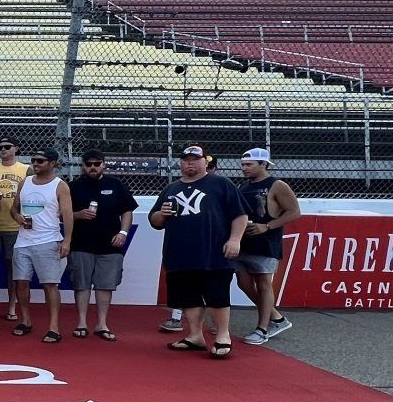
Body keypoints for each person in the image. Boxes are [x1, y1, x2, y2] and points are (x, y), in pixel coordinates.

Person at [151, 144, 248, 359]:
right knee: (188, 296)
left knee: (217, 294)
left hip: (213, 251)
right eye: (186, 159)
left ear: (205, 161)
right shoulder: (171, 188)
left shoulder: (221, 183)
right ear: (180, 163)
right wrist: (162, 213)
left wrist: (235, 239)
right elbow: (155, 221)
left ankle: (223, 335)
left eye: (195, 159)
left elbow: (239, 214)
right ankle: (195, 335)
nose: (190, 163)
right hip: (180, 252)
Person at [67, 150, 136, 340]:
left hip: (110, 245)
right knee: (81, 284)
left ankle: (102, 324)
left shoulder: (115, 184)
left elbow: (127, 210)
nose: (93, 167)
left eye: (97, 164)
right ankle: (81, 323)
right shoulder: (73, 186)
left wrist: (123, 233)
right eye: (88, 164)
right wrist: (78, 215)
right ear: (82, 166)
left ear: (104, 165)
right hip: (81, 243)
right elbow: (60, 214)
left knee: (105, 285)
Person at [236, 148, 301, 345]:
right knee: (243, 282)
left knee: (264, 283)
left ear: (263, 164)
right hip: (244, 241)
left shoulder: (277, 185)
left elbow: (294, 212)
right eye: (243, 165)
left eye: (249, 165)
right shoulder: (243, 186)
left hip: (266, 242)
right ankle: (277, 318)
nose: (244, 168)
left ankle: (262, 328)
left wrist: (267, 226)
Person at [9, 147, 72, 342]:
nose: (35, 164)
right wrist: (18, 218)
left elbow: (68, 215)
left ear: (52, 163)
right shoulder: (25, 182)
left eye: (40, 161)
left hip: (48, 239)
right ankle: (25, 320)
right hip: (23, 239)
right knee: (20, 282)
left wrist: (67, 240)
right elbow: (14, 209)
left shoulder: (60, 185)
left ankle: (54, 327)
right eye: (33, 160)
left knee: (50, 285)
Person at [0, 138, 30, 334]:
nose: (3, 150)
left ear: (16, 149)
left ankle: (11, 306)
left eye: (7, 147)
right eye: (0, 147)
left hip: (15, 226)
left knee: (13, 268)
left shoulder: (25, 169)